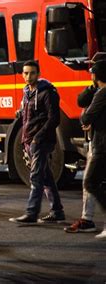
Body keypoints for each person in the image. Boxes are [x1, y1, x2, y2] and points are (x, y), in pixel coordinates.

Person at [9, 60, 65, 224]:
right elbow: (30, 115)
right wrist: (20, 113)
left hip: (41, 140)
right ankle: (57, 211)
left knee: (36, 177)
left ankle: (31, 213)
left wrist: (37, 138)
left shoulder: (47, 92)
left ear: (38, 74)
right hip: (30, 139)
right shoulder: (27, 92)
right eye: (25, 73)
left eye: (32, 73)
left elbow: (54, 118)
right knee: (46, 177)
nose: (28, 76)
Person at [75, 60, 106, 239]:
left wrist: (86, 120)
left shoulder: (102, 93)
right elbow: (81, 101)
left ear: (97, 75)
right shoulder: (97, 91)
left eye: (92, 73)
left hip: (101, 144)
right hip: (98, 142)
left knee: (90, 182)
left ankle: (88, 219)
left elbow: (86, 115)